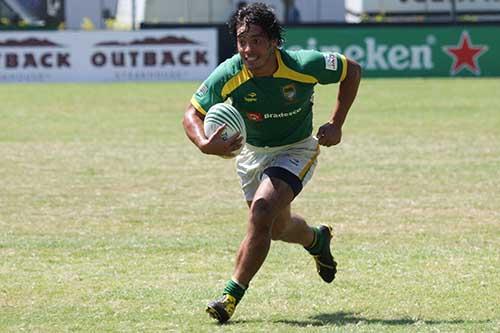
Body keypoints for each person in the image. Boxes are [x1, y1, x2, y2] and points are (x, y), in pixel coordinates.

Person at [182, 2, 361, 324]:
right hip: (253, 154)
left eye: (257, 40)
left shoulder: (304, 64)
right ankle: (316, 239)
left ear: (274, 41)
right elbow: (192, 113)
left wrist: (337, 122)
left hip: (296, 149)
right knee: (275, 228)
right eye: (242, 40)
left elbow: (351, 70)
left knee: (262, 211)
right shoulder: (230, 72)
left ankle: (230, 296)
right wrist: (203, 143)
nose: (248, 49)